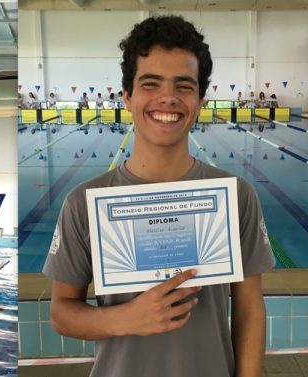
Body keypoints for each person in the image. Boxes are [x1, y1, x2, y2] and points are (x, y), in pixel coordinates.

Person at [43, 15, 274, 377]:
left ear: (199, 99)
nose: (168, 98)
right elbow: (62, 313)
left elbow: (249, 308)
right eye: (151, 83)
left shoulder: (236, 196)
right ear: (128, 96)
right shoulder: (83, 201)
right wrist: (126, 318)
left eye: (184, 86)